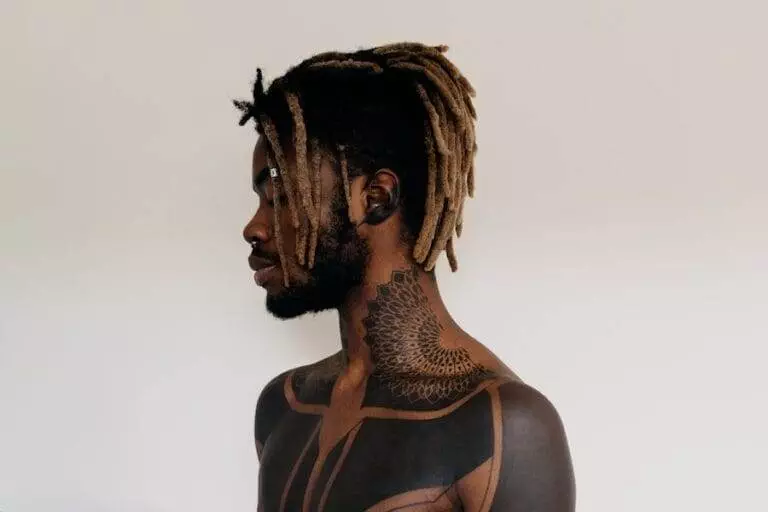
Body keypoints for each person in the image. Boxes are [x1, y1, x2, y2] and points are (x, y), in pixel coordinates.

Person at [238, 42, 575, 512]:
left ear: (375, 198)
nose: (254, 228)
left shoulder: (505, 425)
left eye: (281, 196)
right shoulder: (282, 407)